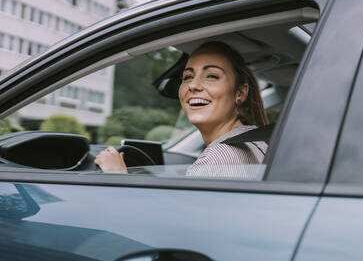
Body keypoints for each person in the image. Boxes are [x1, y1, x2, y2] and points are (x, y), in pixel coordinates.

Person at [95, 41, 269, 177]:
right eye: (187, 76)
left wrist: (117, 174)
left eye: (212, 76)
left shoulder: (218, 158)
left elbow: (177, 223)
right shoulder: (257, 141)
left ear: (240, 93)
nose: (193, 85)